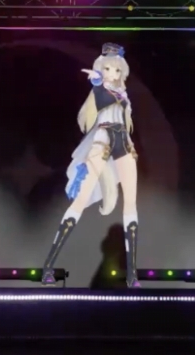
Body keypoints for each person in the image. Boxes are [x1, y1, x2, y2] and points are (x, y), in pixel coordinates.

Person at [40, 43, 141, 287]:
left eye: (116, 70)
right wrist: (96, 81)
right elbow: (101, 97)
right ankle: (48, 266)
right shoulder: (101, 88)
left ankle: (132, 274)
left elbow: (122, 113)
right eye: (107, 69)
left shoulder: (123, 93)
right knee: (80, 200)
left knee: (130, 203)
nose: (112, 74)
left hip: (123, 142)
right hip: (103, 139)